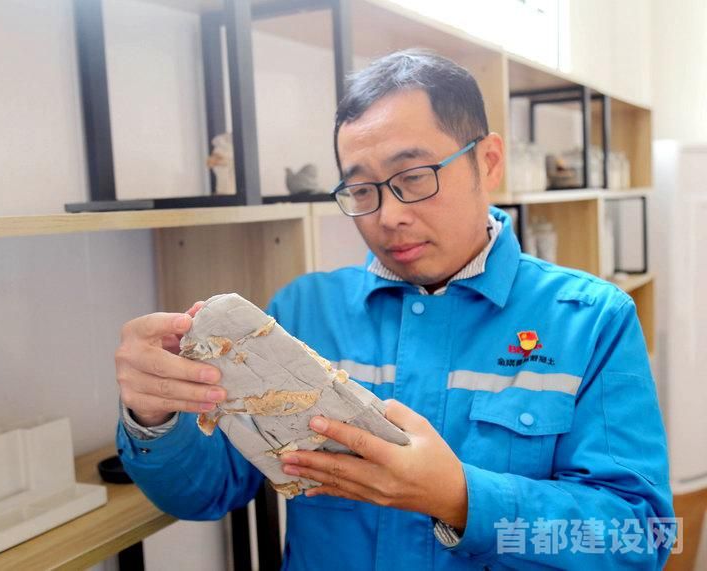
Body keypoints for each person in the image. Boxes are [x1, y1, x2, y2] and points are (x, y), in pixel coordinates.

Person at [114, 49, 675, 569]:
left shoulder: (590, 320)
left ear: (488, 162)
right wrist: (154, 416)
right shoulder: (303, 312)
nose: (388, 216)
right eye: (362, 191)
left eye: (413, 177)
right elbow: (206, 491)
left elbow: (638, 539)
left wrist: (460, 498)